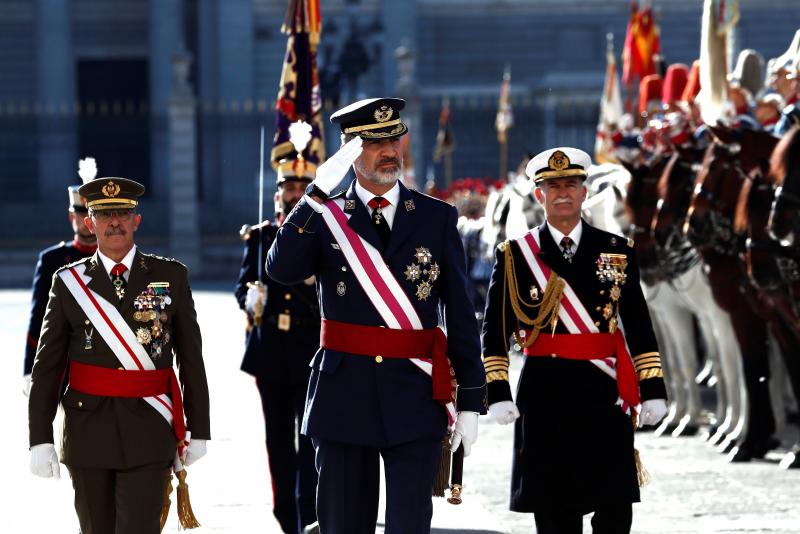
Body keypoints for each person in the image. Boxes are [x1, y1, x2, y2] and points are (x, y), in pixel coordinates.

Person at [266, 97, 487, 534]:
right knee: (343, 525)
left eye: (394, 138)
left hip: (415, 393)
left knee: (410, 526)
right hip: (342, 394)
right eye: (374, 141)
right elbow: (281, 269)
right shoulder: (325, 217)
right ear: (350, 149)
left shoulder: (435, 217)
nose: (390, 150)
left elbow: (460, 312)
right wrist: (312, 197)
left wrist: (471, 398)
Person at [482, 147, 668, 534]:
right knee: (555, 511)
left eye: (571, 185)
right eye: (552, 186)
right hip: (545, 392)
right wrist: (497, 393)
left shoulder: (617, 250)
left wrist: (652, 389)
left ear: (585, 193)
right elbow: (495, 330)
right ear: (539, 196)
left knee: (614, 508)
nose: (563, 193)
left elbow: (638, 325)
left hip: (605, 392)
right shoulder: (516, 255)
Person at [28, 176, 210, 534]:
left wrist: (198, 427)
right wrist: (40, 437)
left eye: (123, 213)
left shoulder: (170, 276)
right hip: (86, 432)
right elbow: (47, 368)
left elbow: (191, 359)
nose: (115, 221)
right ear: (88, 222)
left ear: (136, 220)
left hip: (150, 430)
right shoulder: (68, 283)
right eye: (104, 214)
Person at [235, 155, 319, 534]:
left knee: (311, 438)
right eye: (290, 188)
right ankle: (286, 515)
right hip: (270, 352)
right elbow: (242, 284)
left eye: (302, 188)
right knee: (278, 441)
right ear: (279, 194)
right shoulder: (262, 236)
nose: (295, 194)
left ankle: (309, 513)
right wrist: (248, 298)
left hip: (310, 350)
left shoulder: (323, 235)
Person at [23, 158, 99, 395]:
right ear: (71, 218)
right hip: (63, 369)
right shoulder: (52, 260)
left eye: (91, 215)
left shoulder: (115, 258)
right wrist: (29, 369)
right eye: (80, 215)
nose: (86, 222)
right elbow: (39, 318)